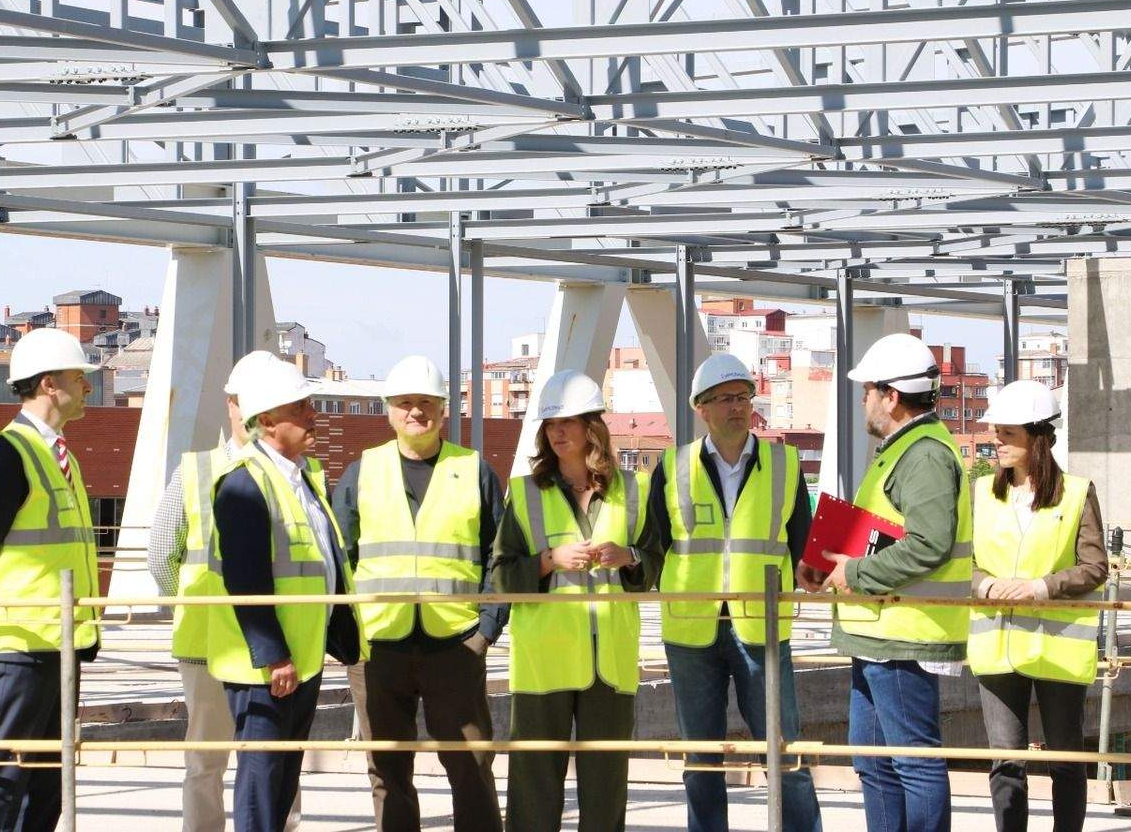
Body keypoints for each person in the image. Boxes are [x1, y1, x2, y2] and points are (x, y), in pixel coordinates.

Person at [797, 332, 970, 832]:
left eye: (868, 391)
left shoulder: (923, 455)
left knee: (913, 762)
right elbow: (883, 532)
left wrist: (852, 572)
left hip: (904, 635)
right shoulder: (903, 450)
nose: (864, 401)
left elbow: (929, 544)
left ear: (892, 396)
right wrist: (828, 560)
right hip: (879, 633)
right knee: (873, 762)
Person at [333, 355, 507, 832]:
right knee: (387, 770)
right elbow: (338, 559)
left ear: (443, 409)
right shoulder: (361, 473)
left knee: (471, 765)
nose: (416, 412)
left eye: (426, 403)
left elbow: (501, 556)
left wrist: (486, 632)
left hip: (455, 641)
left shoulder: (474, 471)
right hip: (378, 646)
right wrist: (347, 636)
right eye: (405, 403)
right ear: (389, 410)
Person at [650, 353, 822, 832]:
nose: (737, 407)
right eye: (725, 399)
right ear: (701, 409)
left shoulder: (785, 463)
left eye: (743, 397)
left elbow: (804, 545)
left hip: (761, 628)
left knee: (783, 751)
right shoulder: (672, 466)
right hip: (691, 631)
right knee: (701, 759)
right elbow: (654, 545)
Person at [491, 370, 663, 832]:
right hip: (542, 660)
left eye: (567, 421)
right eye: (551, 425)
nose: (558, 432)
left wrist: (627, 557)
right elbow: (500, 576)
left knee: (606, 787)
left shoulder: (635, 489)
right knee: (533, 785)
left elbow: (655, 565)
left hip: (610, 660)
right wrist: (548, 560)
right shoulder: (525, 492)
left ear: (593, 426)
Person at [0, 328, 102, 832]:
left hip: (59, 639)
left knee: (48, 778)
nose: (88, 387)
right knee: (2, 771)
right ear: (47, 385)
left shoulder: (64, 458)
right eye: (78, 378)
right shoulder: (8, 454)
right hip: (20, 641)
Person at [147, 350, 303, 832]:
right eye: (242, 402)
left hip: (277, 643)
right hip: (210, 647)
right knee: (209, 760)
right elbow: (161, 556)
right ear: (231, 404)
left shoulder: (297, 472)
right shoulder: (195, 471)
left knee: (276, 757)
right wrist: (197, 608)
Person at [207, 358, 366, 832]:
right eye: (301, 407)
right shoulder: (244, 482)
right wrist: (274, 657)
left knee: (283, 777)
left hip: (304, 656)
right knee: (262, 778)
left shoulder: (301, 477)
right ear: (269, 419)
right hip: (267, 667)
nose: (313, 413)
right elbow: (246, 578)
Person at [968, 380, 1107, 832]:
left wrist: (1041, 588)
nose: (996, 441)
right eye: (997, 432)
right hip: (997, 647)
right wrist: (985, 585)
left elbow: (1094, 566)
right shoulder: (982, 494)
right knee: (1006, 762)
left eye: (1007, 434)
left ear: (1038, 437)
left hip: (1057, 648)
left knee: (1066, 759)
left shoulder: (1077, 493)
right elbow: (960, 564)